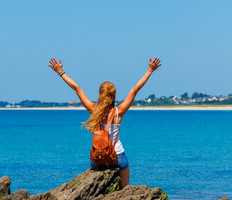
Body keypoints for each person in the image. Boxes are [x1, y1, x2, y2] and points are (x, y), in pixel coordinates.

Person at [48, 57, 162, 189]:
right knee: (124, 192)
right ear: (114, 96)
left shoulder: (93, 110)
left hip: (99, 158)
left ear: (99, 94)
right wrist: (150, 70)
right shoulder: (119, 112)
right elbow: (135, 90)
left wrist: (60, 72)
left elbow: (76, 88)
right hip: (118, 157)